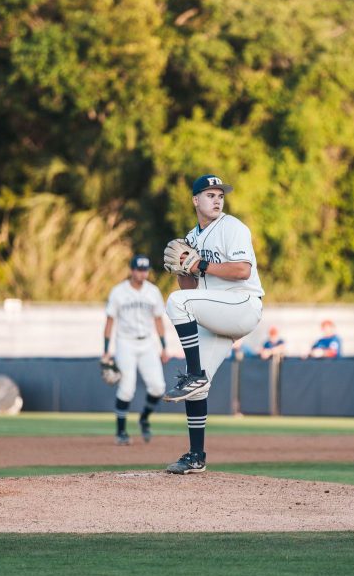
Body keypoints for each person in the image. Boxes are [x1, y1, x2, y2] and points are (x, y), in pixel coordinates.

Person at [161, 174, 264, 474]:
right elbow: (190, 289)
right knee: (197, 390)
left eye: (220, 195)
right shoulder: (191, 238)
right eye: (210, 195)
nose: (217, 199)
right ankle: (196, 456)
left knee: (176, 303)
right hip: (216, 313)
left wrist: (201, 264)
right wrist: (181, 269)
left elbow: (243, 270)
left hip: (242, 304)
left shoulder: (232, 227)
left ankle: (194, 374)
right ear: (195, 200)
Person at [102, 254, 169, 446]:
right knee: (127, 388)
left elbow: (158, 320)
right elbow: (110, 321)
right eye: (139, 270)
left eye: (145, 270)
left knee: (158, 387)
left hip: (147, 343)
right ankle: (121, 432)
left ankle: (144, 418)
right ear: (132, 271)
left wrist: (164, 347)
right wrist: (106, 350)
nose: (142, 274)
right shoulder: (118, 292)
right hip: (125, 343)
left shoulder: (153, 291)